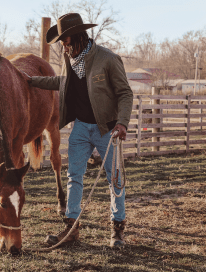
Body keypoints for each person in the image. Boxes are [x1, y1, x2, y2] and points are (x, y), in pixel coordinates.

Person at [28, 13, 133, 248]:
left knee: (115, 180)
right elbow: (62, 83)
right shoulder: (72, 59)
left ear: (77, 37)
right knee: (74, 177)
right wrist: (31, 80)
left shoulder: (107, 59)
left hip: (107, 129)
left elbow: (125, 93)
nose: (63, 47)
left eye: (65, 41)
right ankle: (72, 227)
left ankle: (117, 230)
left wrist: (122, 123)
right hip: (80, 129)